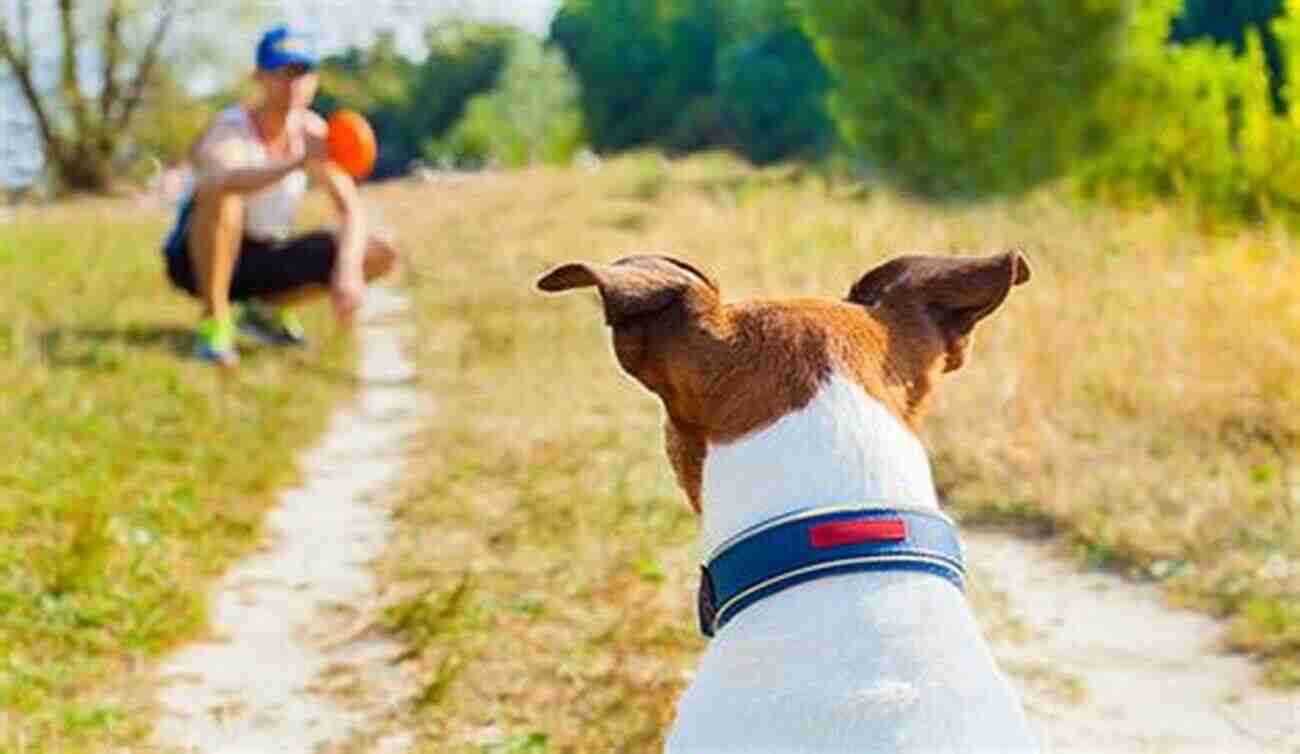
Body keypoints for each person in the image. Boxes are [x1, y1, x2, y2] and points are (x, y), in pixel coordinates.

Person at [162, 24, 397, 366]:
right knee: (222, 194)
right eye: (281, 72)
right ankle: (215, 323)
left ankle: (264, 313)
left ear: (314, 81)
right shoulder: (230, 127)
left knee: (378, 252)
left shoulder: (314, 131)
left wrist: (348, 271)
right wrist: (296, 162)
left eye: (301, 73)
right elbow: (222, 179)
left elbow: (351, 210)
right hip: (197, 258)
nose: (292, 84)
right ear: (259, 76)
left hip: (265, 254)